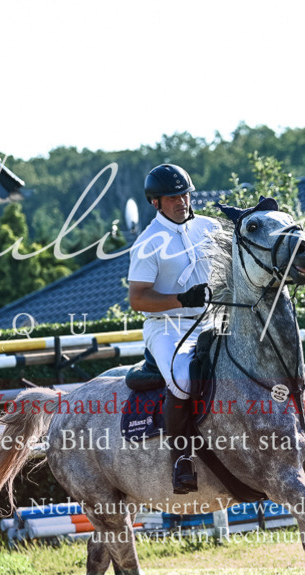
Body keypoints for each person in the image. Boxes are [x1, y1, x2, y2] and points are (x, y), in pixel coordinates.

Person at [128, 164, 219, 494]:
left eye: (185, 194)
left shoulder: (209, 227)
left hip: (211, 320)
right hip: (167, 328)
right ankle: (182, 457)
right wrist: (180, 299)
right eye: (173, 197)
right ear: (156, 202)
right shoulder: (148, 242)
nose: (182, 201)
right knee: (182, 378)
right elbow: (137, 299)